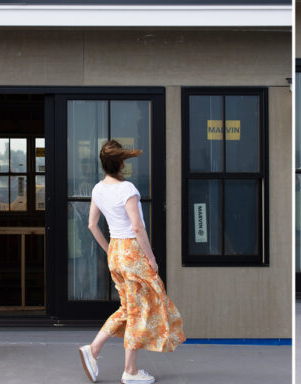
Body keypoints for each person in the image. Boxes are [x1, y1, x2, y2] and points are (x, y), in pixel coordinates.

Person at [78, 140, 185, 384]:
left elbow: (92, 225)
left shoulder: (98, 189)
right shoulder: (127, 189)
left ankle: (94, 350)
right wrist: (151, 258)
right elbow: (137, 227)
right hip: (132, 253)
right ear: (121, 163)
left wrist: (110, 251)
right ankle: (130, 370)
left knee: (129, 309)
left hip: (116, 250)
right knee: (139, 310)